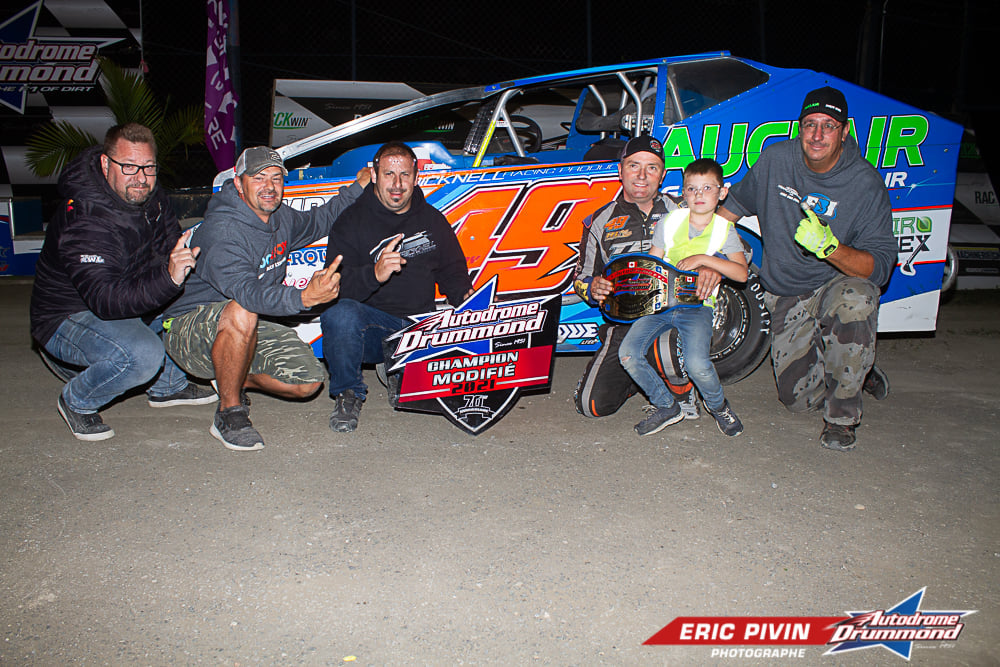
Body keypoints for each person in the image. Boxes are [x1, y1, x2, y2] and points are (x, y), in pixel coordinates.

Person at [719, 86, 895, 451]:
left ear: (844, 132)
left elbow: (879, 267)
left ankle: (841, 417)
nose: (817, 135)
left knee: (857, 299)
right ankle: (853, 367)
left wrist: (831, 248)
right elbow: (730, 209)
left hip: (834, 282)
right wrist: (709, 255)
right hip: (786, 292)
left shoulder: (865, 183)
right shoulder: (775, 160)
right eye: (810, 124)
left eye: (828, 126)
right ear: (799, 127)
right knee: (796, 400)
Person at [161, 146, 368, 451]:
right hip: (188, 331)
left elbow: (319, 220)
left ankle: (231, 376)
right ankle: (230, 413)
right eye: (258, 178)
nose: (269, 186)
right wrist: (304, 296)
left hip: (244, 327)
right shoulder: (223, 230)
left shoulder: (281, 217)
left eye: (276, 178)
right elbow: (250, 293)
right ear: (238, 182)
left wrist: (358, 188)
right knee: (243, 309)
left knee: (308, 383)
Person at [30, 123, 215, 441]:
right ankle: (78, 399)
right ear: (106, 164)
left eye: (148, 167)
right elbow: (105, 302)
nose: (141, 177)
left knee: (204, 291)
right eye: (129, 166)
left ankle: (167, 386)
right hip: (68, 318)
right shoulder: (86, 218)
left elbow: (171, 244)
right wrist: (169, 279)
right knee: (142, 355)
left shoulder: (149, 194)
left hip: (126, 299)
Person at [320, 141, 472, 433]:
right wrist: (374, 275)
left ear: (416, 177)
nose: (397, 184)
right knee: (338, 315)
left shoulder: (432, 220)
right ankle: (349, 393)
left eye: (405, 175)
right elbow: (335, 287)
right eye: (389, 174)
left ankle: (400, 366)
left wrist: (465, 295)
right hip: (373, 332)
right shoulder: (351, 221)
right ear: (374, 175)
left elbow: (453, 272)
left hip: (420, 329)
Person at [572, 135, 711, 421]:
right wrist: (592, 287)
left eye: (652, 167)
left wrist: (712, 265)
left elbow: (736, 251)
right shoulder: (599, 221)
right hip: (622, 324)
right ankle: (639, 381)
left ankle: (682, 393)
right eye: (634, 165)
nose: (642, 175)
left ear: (662, 175)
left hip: (672, 318)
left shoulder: (685, 211)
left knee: (666, 343)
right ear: (620, 170)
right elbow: (580, 278)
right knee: (591, 406)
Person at [619, 158, 747, 437]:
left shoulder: (724, 229)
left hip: (697, 306)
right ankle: (667, 406)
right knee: (628, 354)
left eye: (707, 188)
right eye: (692, 189)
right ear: (684, 193)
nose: (699, 195)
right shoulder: (670, 221)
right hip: (661, 303)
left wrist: (705, 259)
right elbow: (653, 261)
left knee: (698, 365)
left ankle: (718, 406)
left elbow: (741, 274)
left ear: (722, 192)